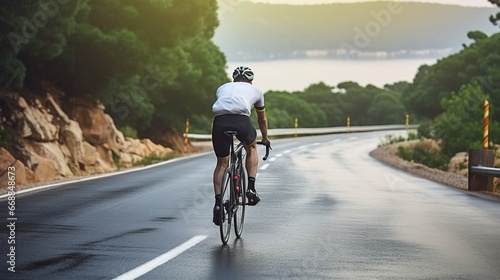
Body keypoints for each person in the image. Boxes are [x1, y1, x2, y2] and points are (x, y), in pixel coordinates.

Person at [211, 66, 270, 226]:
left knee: (222, 163)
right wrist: (265, 138)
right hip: (241, 122)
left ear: (233, 79)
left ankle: (217, 204)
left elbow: (223, 105)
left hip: (220, 122)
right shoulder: (256, 91)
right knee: (251, 148)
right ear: (251, 80)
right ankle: (250, 188)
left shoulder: (222, 88)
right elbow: (262, 120)